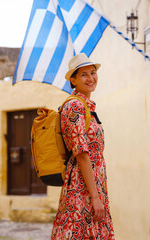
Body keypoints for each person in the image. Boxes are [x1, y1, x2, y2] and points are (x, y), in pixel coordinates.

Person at [51, 53, 115, 240]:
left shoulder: (87, 107)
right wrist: (95, 197)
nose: (91, 78)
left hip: (92, 182)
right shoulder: (75, 107)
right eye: (84, 75)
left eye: (93, 73)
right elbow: (82, 154)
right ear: (73, 80)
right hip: (82, 185)